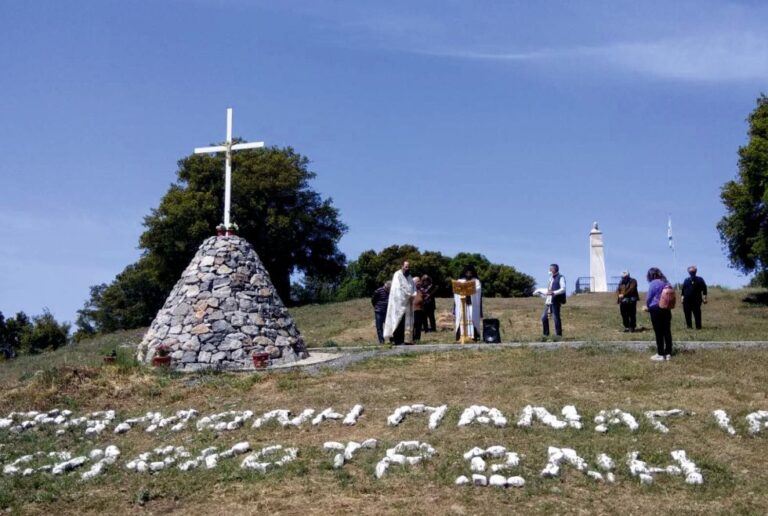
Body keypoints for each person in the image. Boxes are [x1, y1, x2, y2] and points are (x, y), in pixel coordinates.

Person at [383, 261, 417, 345]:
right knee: (398, 321)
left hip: (408, 304)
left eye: (408, 267)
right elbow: (398, 289)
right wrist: (409, 295)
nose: (407, 268)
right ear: (401, 266)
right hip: (399, 304)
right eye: (406, 266)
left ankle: (407, 340)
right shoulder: (397, 275)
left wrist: (414, 294)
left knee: (407, 322)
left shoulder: (409, 277)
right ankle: (398, 340)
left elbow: (414, 287)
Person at [643, 267, 673, 361]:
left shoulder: (654, 283)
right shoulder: (666, 282)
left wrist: (647, 306)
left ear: (652, 275)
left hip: (656, 309)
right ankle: (668, 352)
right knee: (667, 331)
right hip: (666, 309)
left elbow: (649, 297)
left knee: (658, 332)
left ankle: (660, 354)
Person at [453, 265, 482, 341]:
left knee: (472, 318)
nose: (468, 274)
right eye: (467, 273)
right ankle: (461, 336)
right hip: (462, 303)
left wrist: (469, 290)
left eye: (470, 273)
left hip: (472, 304)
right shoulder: (460, 281)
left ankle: (473, 336)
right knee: (461, 318)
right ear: (464, 273)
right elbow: (456, 291)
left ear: (472, 273)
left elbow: (478, 289)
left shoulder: (476, 281)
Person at [541, 263, 566, 339]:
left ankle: (558, 335)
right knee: (544, 317)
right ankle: (546, 335)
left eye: (550, 269)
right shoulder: (551, 278)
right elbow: (549, 288)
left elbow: (563, 289)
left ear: (554, 269)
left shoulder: (561, 277)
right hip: (549, 300)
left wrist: (554, 292)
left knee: (556, 317)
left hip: (556, 300)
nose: (549, 270)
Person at [681, 265, 708, 329]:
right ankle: (689, 327)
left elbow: (704, 289)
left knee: (697, 314)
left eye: (693, 271)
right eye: (690, 271)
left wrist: (704, 298)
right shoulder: (686, 280)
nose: (691, 272)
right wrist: (682, 298)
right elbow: (683, 291)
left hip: (696, 300)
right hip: (687, 301)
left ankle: (698, 327)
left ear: (696, 271)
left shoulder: (700, 279)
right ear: (688, 272)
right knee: (687, 314)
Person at [412, 277, 424, 342]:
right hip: (414, 310)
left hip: (420, 310)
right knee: (414, 325)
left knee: (419, 325)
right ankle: (412, 338)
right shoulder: (411, 290)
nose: (420, 283)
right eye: (418, 281)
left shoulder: (421, 290)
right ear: (414, 282)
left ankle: (418, 339)